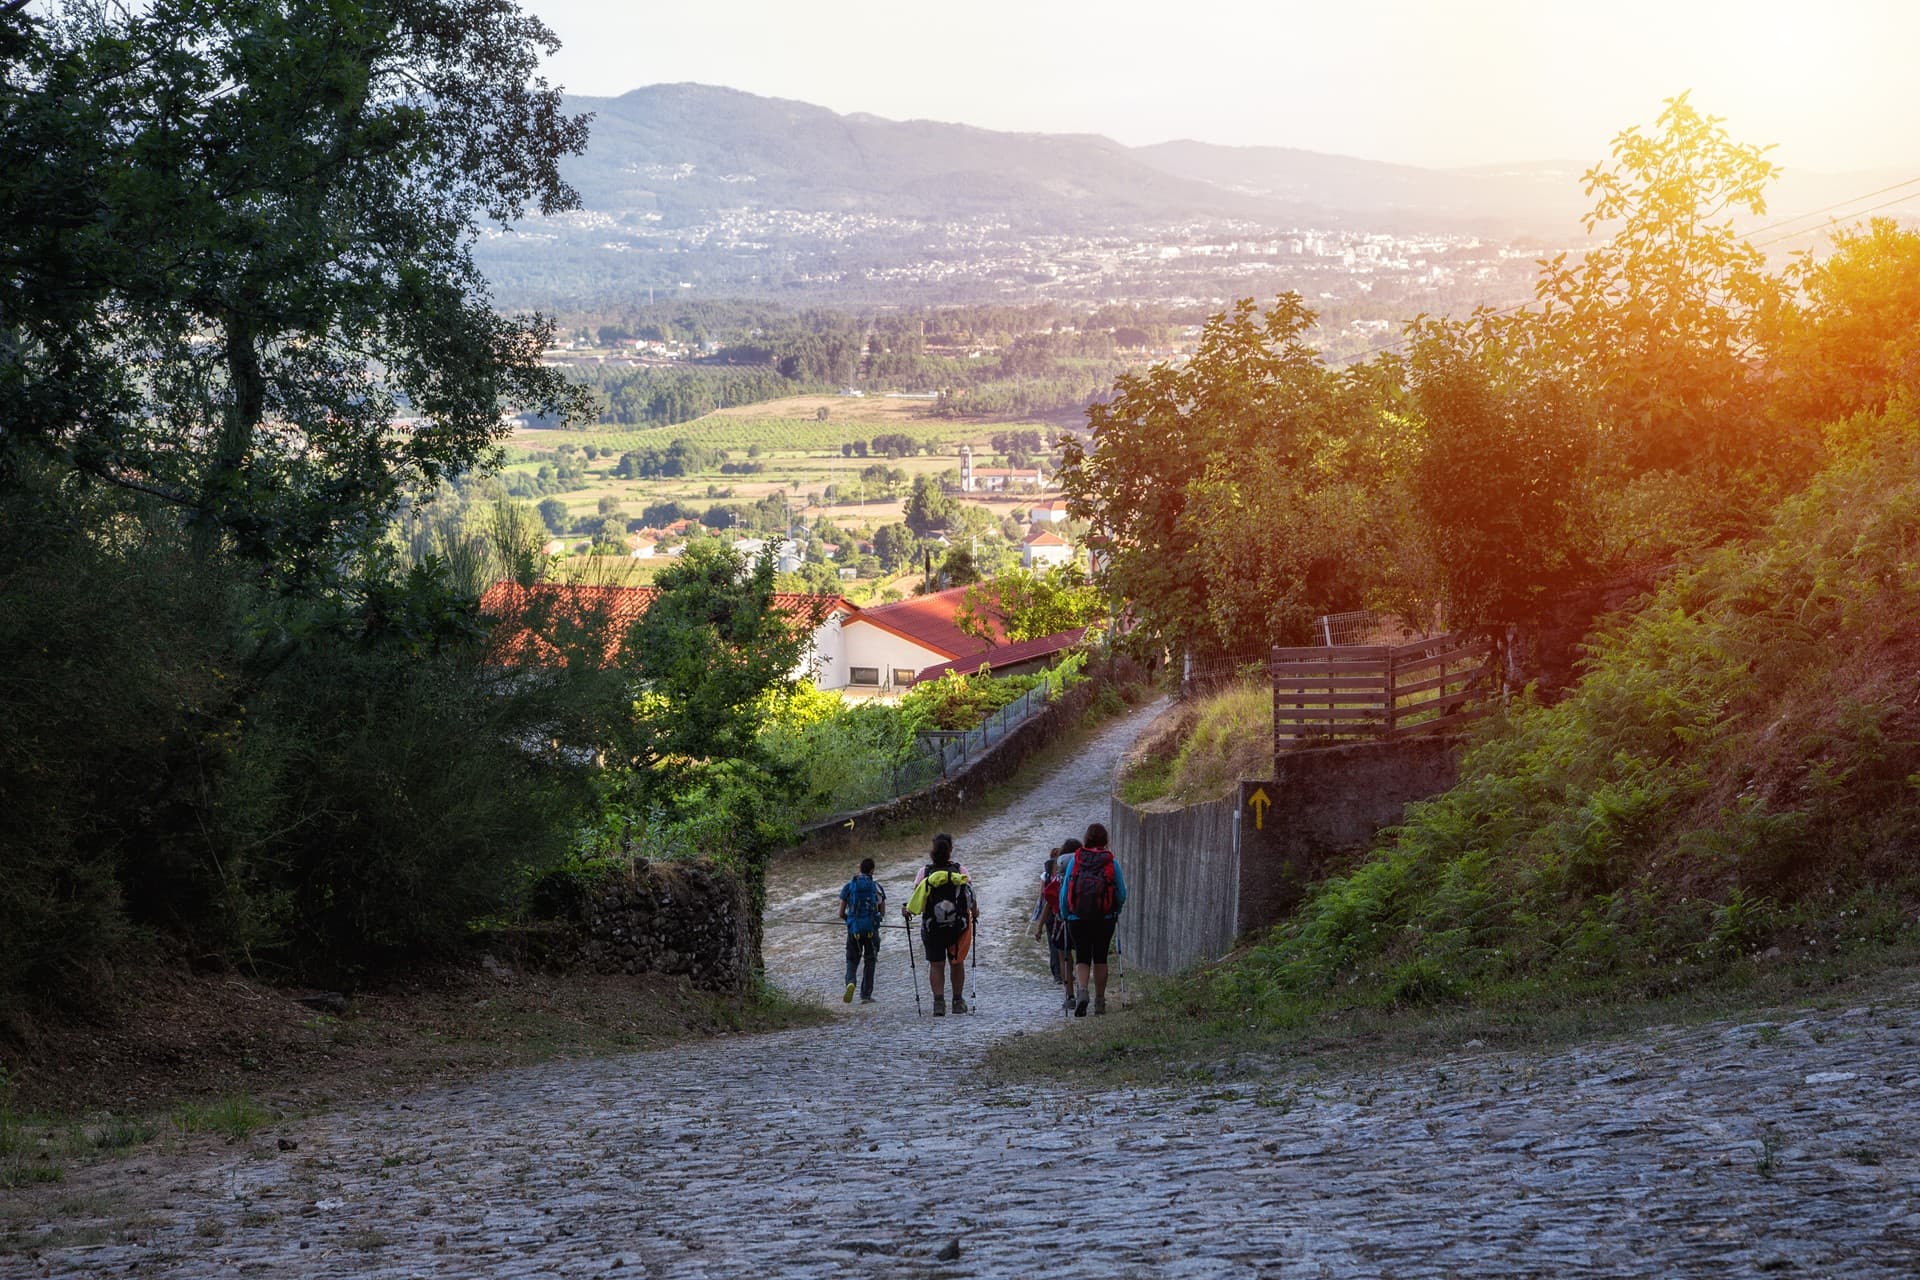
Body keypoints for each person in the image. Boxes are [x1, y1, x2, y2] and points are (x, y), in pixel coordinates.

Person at [1057, 822, 1125, 1017]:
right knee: (1101, 957)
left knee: (1083, 957)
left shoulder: (1075, 861)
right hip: (1105, 917)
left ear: (1086, 839)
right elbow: (1121, 892)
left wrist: (1065, 914)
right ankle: (1100, 1001)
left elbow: (1065, 892)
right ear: (1105, 840)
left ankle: (1083, 992)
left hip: (1077, 918)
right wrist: (1115, 909)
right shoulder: (1111, 862)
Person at [903, 833, 976, 1015]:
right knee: (957, 963)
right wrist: (975, 913)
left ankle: (938, 1003)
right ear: (950, 850)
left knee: (936, 964)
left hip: (932, 927)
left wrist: (907, 911)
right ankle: (958, 1002)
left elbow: (916, 900)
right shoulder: (961, 871)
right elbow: (970, 897)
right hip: (958, 927)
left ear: (932, 851)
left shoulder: (924, 873)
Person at [1032, 838, 1079, 1012]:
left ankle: (1070, 996)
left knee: (1065, 958)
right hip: (1084, 917)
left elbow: (1049, 902)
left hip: (1062, 919)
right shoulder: (1083, 867)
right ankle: (1084, 991)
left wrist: (1039, 927)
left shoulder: (1059, 874)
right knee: (1082, 956)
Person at [839, 856, 886, 1003]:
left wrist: (850, 922)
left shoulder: (849, 887)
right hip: (871, 930)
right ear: (872, 871)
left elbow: (840, 913)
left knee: (852, 960)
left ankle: (851, 981)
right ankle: (866, 995)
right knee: (870, 961)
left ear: (860, 869)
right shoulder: (877, 887)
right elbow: (882, 912)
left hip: (854, 931)